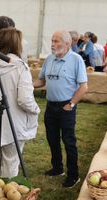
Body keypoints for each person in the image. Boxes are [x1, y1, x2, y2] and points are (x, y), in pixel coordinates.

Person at [0, 28, 40, 178]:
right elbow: (25, 99)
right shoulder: (20, 67)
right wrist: (35, 109)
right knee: (11, 160)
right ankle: (7, 196)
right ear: (17, 44)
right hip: (14, 122)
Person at [34, 30, 88, 188]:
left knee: (69, 141)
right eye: (52, 40)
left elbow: (83, 87)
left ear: (68, 43)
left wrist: (71, 104)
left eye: (57, 41)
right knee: (52, 139)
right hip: (51, 106)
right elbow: (41, 81)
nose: (53, 44)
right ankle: (57, 168)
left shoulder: (76, 59)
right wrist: (27, 86)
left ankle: (73, 175)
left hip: (67, 106)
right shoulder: (49, 59)